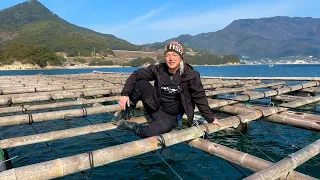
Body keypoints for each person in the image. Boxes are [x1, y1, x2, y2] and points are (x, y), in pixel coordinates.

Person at [116, 41, 219, 138]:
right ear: (165, 57)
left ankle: (132, 126)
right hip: (154, 105)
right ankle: (126, 111)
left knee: (149, 133)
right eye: (168, 55)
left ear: (181, 57)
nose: (171, 58)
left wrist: (211, 119)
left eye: (175, 55)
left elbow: (200, 98)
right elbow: (137, 74)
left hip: (170, 117)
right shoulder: (159, 69)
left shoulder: (191, 75)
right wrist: (125, 94)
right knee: (141, 83)